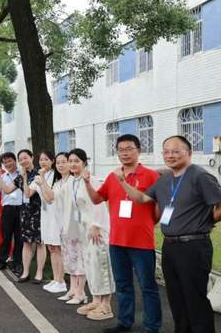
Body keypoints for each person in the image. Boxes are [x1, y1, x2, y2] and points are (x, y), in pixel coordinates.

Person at [115, 135, 221, 333]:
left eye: (176, 151)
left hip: (194, 246)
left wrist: (207, 221)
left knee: (194, 298)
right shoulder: (164, 181)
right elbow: (141, 198)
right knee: (176, 298)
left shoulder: (200, 175)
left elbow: (218, 204)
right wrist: (122, 182)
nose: (170, 155)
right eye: (166, 152)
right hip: (170, 246)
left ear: (189, 153)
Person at [82, 134, 161, 333]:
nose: (125, 153)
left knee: (148, 286)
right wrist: (87, 183)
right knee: (123, 284)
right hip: (117, 240)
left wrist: (151, 223)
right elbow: (97, 199)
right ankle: (125, 322)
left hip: (142, 242)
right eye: (121, 149)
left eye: (129, 148)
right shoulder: (112, 176)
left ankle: (152, 326)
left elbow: (157, 206)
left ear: (139, 150)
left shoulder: (150, 176)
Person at [62, 149, 115, 320]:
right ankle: (95, 300)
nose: (72, 164)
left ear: (85, 162)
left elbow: (98, 204)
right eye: (70, 161)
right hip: (83, 229)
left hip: (96, 229)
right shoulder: (73, 181)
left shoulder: (91, 180)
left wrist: (96, 225)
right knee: (90, 265)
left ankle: (106, 305)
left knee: (101, 265)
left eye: (76, 161)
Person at [30, 152, 70, 294]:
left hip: (56, 215)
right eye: (41, 159)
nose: (43, 162)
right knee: (51, 248)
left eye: (46, 159)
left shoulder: (56, 176)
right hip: (46, 215)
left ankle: (61, 280)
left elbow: (50, 198)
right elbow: (29, 193)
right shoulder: (44, 176)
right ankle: (56, 278)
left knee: (58, 248)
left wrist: (42, 180)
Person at [14, 149, 46, 284]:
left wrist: (25, 178)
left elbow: (28, 194)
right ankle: (25, 272)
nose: (23, 161)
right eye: (20, 159)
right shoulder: (19, 175)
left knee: (39, 242)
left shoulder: (38, 174)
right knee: (26, 242)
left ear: (32, 157)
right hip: (25, 212)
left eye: (25, 158)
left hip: (38, 211)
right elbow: (8, 189)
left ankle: (39, 273)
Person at [0, 152, 23, 275]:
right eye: (5, 162)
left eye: (9, 161)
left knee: (20, 238)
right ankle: (2, 261)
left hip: (21, 208)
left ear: (15, 160)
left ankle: (17, 263)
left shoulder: (22, 174)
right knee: (6, 236)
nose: (7, 164)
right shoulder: (3, 176)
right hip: (7, 209)